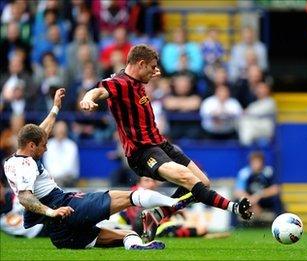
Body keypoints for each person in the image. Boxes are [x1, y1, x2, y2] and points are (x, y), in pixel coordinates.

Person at [79, 44, 252, 239]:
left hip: (161, 144)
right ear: (141, 64)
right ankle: (234, 207)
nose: (155, 71)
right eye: (152, 67)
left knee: (203, 182)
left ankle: (157, 215)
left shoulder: (134, 77)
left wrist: (149, 73)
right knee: (188, 178)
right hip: (142, 152)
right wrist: (87, 97)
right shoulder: (120, 83)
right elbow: (99, 91)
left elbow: (131, 75)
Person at [3, 88, 191, 250]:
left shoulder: (13, 161)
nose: (46, 148)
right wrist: (53, 211)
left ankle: (135, 244)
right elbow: (25, 197)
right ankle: (173, 204)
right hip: (65, 206)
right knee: (129, 197)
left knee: (125, 234)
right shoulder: (26, 164)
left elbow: (40, 133)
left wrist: (55, 108)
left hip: (60, 234)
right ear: (31, 146)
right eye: (43, 145)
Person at [234, 151, 284, 221]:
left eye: (258, 162)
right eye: (254, 162)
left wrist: (258, 196)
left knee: (276, 200)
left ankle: (280, 222)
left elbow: (276, 189)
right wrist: (250, 201)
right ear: (250, 162)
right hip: (249, 198)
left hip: (263, 199)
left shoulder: (269, 172)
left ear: (262, 162)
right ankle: (233, 226)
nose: (256, 164)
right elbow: (238, 191)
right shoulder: (244, 173)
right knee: (235, 203)